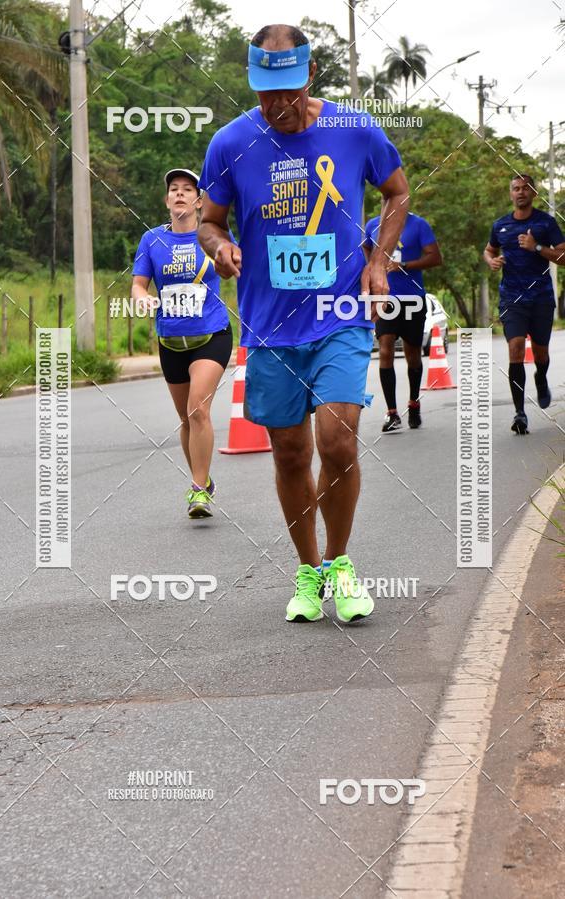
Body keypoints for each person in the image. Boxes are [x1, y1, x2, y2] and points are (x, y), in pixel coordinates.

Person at [197, 24, 409, 623]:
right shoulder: (230, 142)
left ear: (308, 77)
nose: (278, 105)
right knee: (290, 453)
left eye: (287, 91)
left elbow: (397, 195)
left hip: (340, 313)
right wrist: (220, 246)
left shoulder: (353, 128)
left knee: (337, 440)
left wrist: (378, 261)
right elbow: (211, 220)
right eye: (266, 93)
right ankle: (309, 571)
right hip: (270, 324)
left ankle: (341, 564)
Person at [131, 168, 233, 517]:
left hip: (212, 334)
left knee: (198, 409)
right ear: (166, 200)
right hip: (171, 340)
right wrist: (141, 296)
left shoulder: (212, 237)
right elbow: (139, 284)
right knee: (187, 421)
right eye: (173, 190)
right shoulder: (152, 241)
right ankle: (203, 479)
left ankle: (198, 491)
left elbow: (235, 263)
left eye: (187, 190)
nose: (179, 194)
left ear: (198, 201)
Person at [484, 174, 565, 434]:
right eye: (516, 189)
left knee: (540, 352)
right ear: (511, 194)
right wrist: (492, 261)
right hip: (512, 298)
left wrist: (537, 247)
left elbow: (563, 255)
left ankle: (541, 377)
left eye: (525, 188)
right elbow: (489, 250)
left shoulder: (546, 223)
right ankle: (520, 413)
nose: (520, 192)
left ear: (533, 193)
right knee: (516, 348)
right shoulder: (500, 225)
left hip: (541, 298)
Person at [364, 212, 442, 431]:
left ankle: (414, 403)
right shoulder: (372, 225)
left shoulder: (418, 224)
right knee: (386, 349)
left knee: (413, 355)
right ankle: (392, 413)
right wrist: (372, 269)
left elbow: (436, 258)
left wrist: (405, 265)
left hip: (412, 299)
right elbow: (365, 248)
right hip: (386, 299)